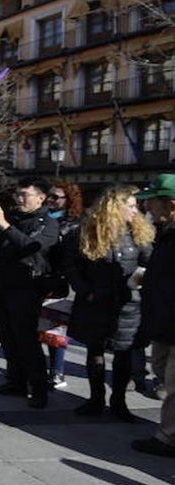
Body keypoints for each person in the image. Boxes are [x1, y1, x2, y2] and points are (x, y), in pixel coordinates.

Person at [64, 185, 153, 422]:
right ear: (115, 207)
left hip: (128, 304)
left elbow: (150, 263)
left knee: (124, 354)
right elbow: (72, 265)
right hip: (96, 302)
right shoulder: (86, 231)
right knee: (95, 351)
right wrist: (85, 290)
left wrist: (139, 280)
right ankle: (96, 398)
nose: (136, 210)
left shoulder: (138, 233)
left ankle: (119, 401)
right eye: (131, 206)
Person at [0, 178, 60, 408]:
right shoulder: (13, 218)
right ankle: (15, 380)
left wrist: (5, 226)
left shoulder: (47, 223)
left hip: (26, 287)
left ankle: (38, 388)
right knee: (7, 335)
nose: (19, 199)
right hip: (3, 285)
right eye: (17, 194)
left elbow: (31, 246)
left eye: (25, 195)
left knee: (26, 340)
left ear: (40, 198)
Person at [133, 174, 175, 456]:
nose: (149, 208)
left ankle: (169, 437)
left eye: (153, 203)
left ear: (170, 203)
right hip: (163, 319)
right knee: (162, 372)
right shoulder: (167, 231)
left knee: (173, 382)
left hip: (172, 320)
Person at [41, 180, 84, 388]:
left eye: (56, 197)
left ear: (68, 200)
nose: (50, 199)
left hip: (56, 281)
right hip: (36, 279)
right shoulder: (41, 218)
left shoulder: (74, 224)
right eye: (49, 195)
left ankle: (57, 372)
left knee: (54, 330)